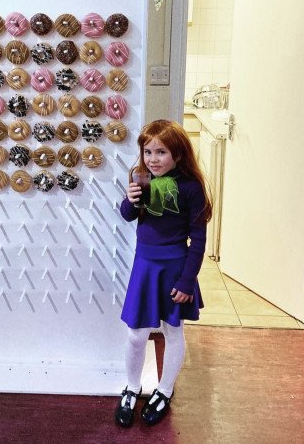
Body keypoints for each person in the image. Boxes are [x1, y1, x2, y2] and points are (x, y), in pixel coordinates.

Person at [115, 119, 212, 428]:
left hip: (175, 267)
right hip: (145, 266)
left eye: (161, 152)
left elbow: (198, 239)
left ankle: (165, 390)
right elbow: (129, 215)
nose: (153, 159)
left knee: (173, 330)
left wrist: (186, 280)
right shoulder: (140, 178)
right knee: (136, 334)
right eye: (147, 151)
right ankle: (132, 387)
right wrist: (129, 201)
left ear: (178, 155)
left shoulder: (191, 187)